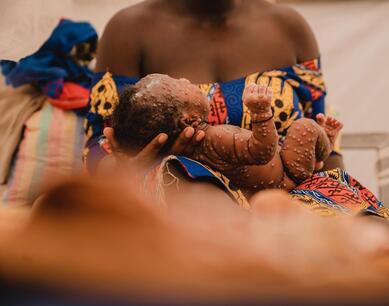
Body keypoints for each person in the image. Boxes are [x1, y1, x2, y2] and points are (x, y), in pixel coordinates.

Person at [85, 0, 344, 172]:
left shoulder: (289, 27)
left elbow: (324, 142)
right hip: (168, 215)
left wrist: (350, 207)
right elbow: (98, 147)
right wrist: (136, 168)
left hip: (290, 212)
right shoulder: (128, 31)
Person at [111, 74, 342, 195]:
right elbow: (262, 152)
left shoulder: (196, 147)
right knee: (305, 127)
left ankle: (319, 153)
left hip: (262, 189)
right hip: (287, 177)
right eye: (178, 83)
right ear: (188, 119)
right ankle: (326, 143)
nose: (184, 79)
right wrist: (261, 113)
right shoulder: (214, 138)